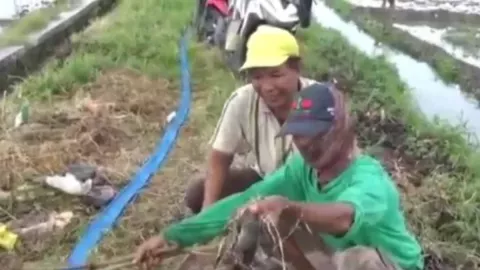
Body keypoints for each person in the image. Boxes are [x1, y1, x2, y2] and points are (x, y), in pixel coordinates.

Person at [134, 83, 424, 270]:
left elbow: (343, 217)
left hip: (388, 264)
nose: (305, 143)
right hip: (334, 257)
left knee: (359, 260)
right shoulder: (302, 169)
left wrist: (288, 207)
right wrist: (172, 237)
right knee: (261, 221)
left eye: (316, 134)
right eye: (298, 135)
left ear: (342, 129)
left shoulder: (367, 178)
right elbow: (246, 199)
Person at [185, 25, 318, 214]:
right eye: (257, 77)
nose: (267, 87)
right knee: (197, 193)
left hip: (309, 193)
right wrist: (207, 215)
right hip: (264, 180)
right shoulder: (243, 101)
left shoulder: (321, 102)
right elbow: (220, 158)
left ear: (297, 68)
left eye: (275, 74)